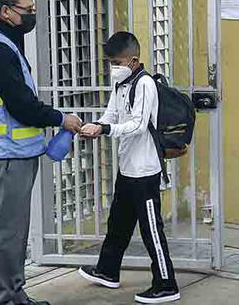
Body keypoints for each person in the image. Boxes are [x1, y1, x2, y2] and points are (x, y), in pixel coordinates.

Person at [0, 0, 82, 305]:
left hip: (15, 154)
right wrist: (61, 119)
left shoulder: (6, 42)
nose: (32, 16)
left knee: (14, 233)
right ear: (6, 11)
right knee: (3, 234)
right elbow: (22, 106)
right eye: (27, 10)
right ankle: (0, 300)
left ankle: (13, 294)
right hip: (5, 156)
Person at [77, 32, 180, 304]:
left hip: (145, 170)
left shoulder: (145, 84)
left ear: (133, 60)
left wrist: (105, 129)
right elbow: (111, 114)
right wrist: (96, 126)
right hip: (127, 167)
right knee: (119, 223)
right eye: (109, 62)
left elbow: (137, 124)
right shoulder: (121, 83)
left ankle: (167, 283)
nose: (113, 68)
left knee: (151, 229)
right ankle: (108, 270)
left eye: (117, 62)